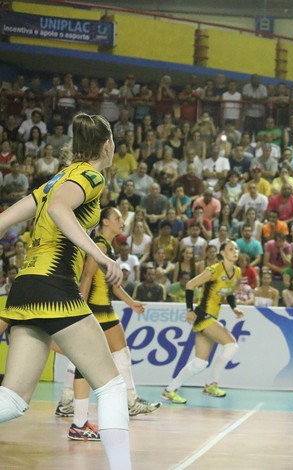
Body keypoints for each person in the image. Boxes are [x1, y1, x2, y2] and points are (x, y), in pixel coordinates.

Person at [0, 113, 130, 469]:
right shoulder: (91, 176)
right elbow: (59, 209)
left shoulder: (54, 180)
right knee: (111, 387)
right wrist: (101, 255)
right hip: (54, 286)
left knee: (13, 400)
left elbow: (2, 222)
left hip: (24, 288)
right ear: (107, 145)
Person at [64, 207, 160, 440]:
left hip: (104, 310)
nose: (122, 221)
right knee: (86, 363)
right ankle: (79, 414)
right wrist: (80, 309)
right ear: (105, 222)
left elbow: (113, 282)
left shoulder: (106, 247)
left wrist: (130, 302)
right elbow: (87, 276)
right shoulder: (98, 245)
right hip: (95, 311)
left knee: (117, 355)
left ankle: (124, 403)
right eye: (117, 218)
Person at [162, 241, 244, 404]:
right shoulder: (213, 270)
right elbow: (190, 285)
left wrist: (234, 307)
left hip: (211, 317)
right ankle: (212, 385)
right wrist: (189, 310)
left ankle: (170, 390)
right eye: (230, 249)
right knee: (231, 345)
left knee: (200, 363)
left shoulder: (237, 272)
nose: (235, 251)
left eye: (236, 248)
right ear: (222, 253)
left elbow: (229, 293)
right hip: (203, 315)